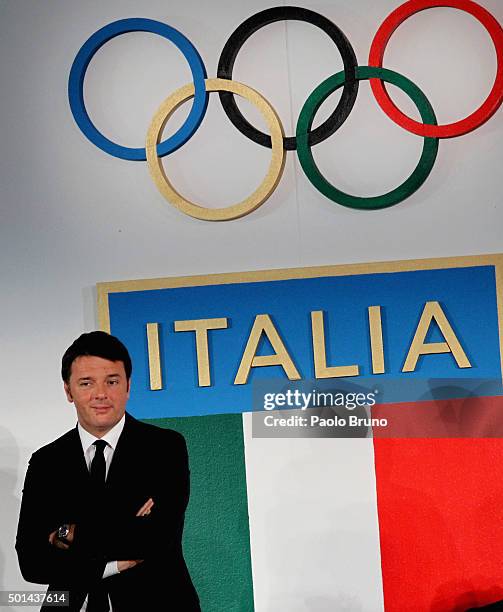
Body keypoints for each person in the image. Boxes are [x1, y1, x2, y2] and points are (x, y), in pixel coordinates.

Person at [16, 331, 200, 612]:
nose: (100, 394)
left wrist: (67, 533)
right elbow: (32, 562)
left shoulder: (164, 448)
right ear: (68, 390)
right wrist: (113, 560)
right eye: (86, 383)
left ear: (128, 385)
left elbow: (156, 539)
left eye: (112, 381)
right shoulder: (46, 462)